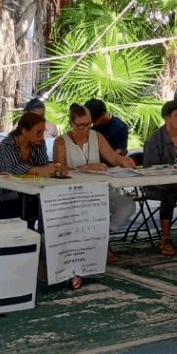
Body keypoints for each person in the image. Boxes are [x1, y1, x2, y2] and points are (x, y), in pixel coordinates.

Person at [53, 104, 139, 264]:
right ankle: (93, 244)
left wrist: (124, 161)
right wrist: (84, 167)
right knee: (92, 209)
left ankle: (102, 238)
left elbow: (113, 157)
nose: (85, 129)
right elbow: (59, 169)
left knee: (128, 205)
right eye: (81, 125)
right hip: (74, 194)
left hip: (99, 191)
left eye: (88, 124)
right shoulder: (61, 142)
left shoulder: (97, 137)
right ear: (71, 124)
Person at [0, 113, 61, 228]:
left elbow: (44, 166)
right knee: (38, 210)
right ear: (25, 131)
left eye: (43, 132)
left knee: (53, 208)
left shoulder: (38, 144)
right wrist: (42, 170)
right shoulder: (7, 145)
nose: (42, 137)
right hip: (4, 198)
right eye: (38, 132)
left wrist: (53, 169)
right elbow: (15, 169)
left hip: (30, 197)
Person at [143, 99, 177, 256]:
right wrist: (176, 182)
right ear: (167, 118)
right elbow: (150, 170)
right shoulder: (154, 140)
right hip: (158, 185)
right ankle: (166, 239)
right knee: (169, 193)